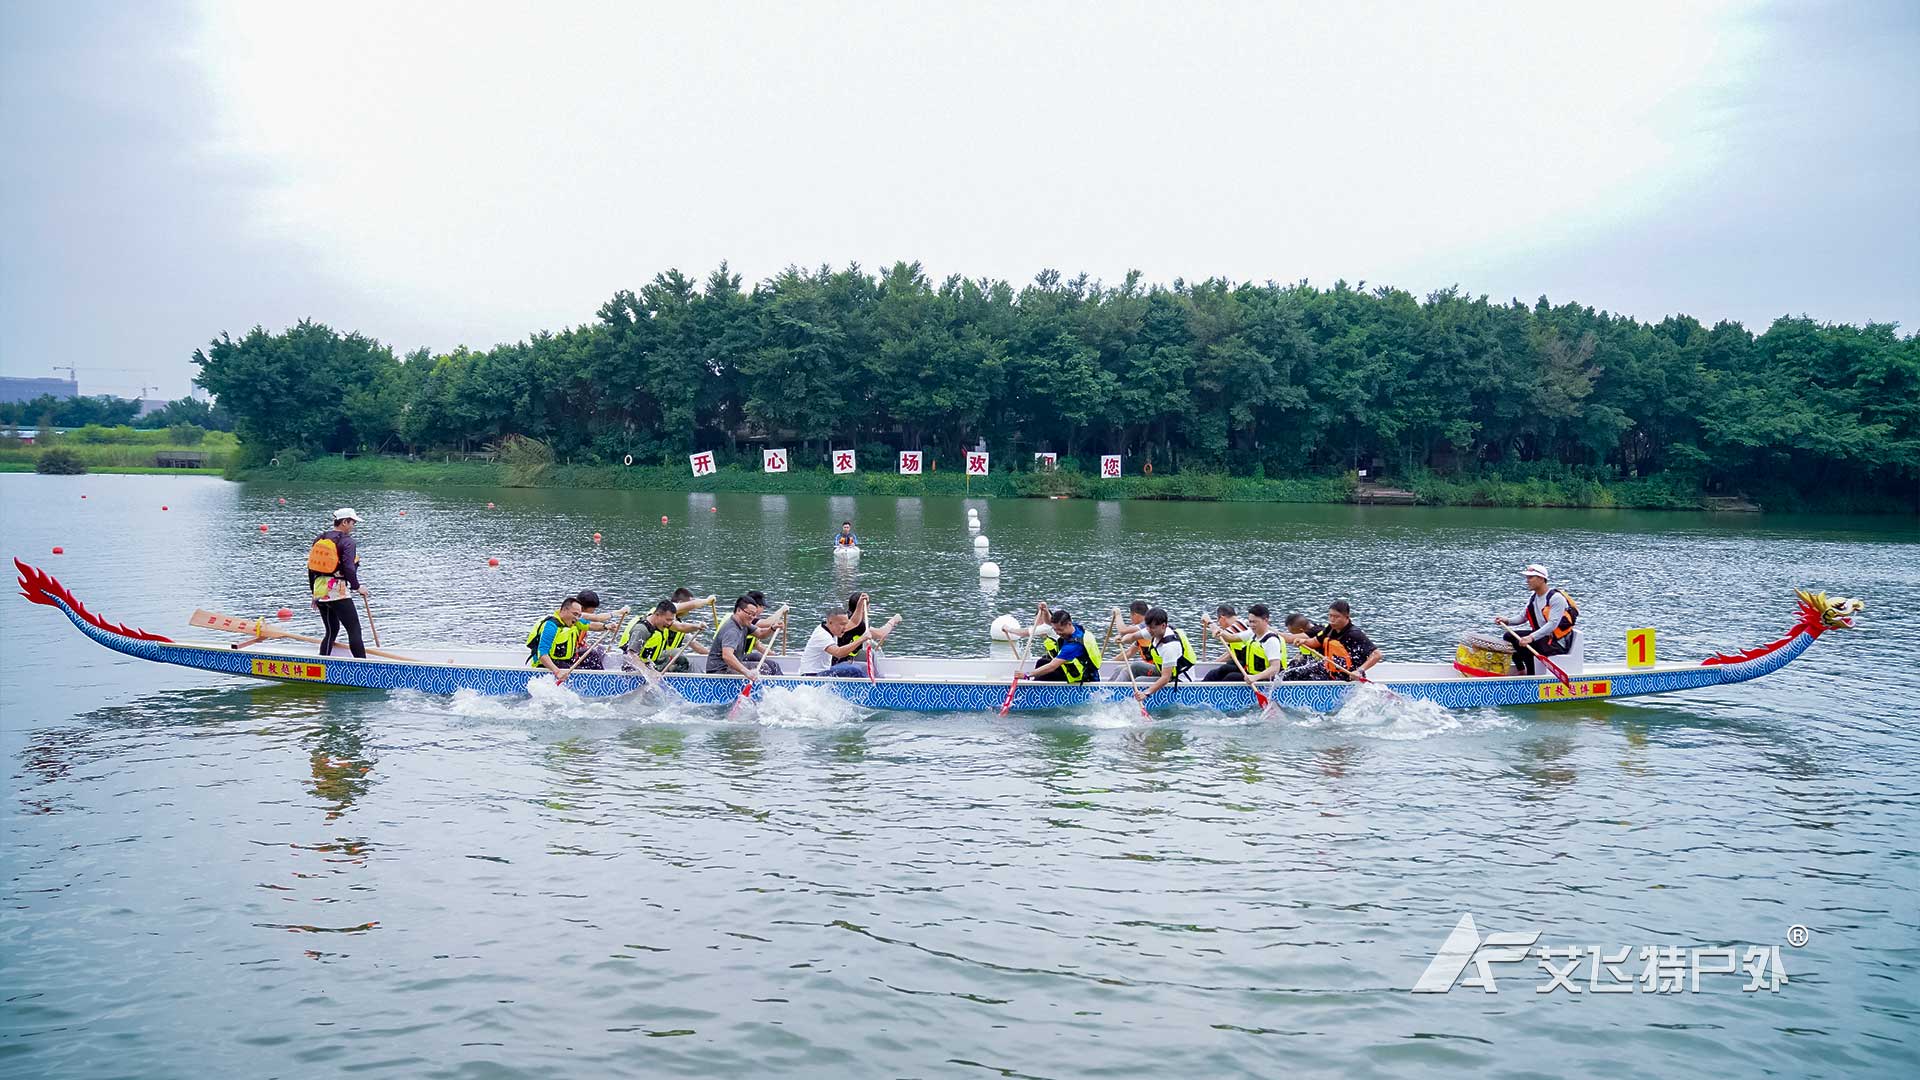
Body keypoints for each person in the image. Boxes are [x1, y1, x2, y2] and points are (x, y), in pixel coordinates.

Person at [1495, 564, 1579, 675]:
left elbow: (1552, 624)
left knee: (1526, 645)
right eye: (1527, 578)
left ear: (1541, 579)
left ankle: (1532, 674)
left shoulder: (1556, 598)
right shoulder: (1534, 597)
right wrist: (1507, 620)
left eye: (1530, 578)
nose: (1527, 581)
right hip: (1543, 638)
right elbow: (1522, 617)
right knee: (1508, 636)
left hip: (1556, 643)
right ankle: (1521, 670)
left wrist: (1531, 637)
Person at [306, 508, 368, 658]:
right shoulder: (347, 542)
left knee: (332, 630)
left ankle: (323, 662)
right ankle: (364, 668)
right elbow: (348, 567)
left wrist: (313, 592)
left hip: (320, 589)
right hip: (337, 590)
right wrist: (357, 587)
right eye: (352, 522)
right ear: (345, 522)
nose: (353, 526)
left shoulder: (320, 538)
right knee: (354, 629)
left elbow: (310, 566)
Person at [1281, 600, 1382, 681]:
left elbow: (1377, 655)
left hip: (1346, 677)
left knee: (1298, 674)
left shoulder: (1354, 634)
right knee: (1293, 670)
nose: (1332, 620)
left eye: (1336, 617)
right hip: (1329, 671)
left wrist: (1359, 671)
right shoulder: (1330, 628)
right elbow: (1315, 642)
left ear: (1347, 617)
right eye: (1330, 616)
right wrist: (1303, 641)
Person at [1207, 603, 1292, 682]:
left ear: (1266, 621)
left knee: (1231, 677)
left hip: (1267, 680)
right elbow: (1231, 638)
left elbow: (1275, 668)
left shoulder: (1271, 641)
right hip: (1252, 674)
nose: (1251, 625)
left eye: (1255, 622)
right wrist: (1221, 633)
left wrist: (1255, 677)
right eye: (1250, 622)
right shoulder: (1252, 633)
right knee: (1220, 671)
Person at [707, 595, 787, 677]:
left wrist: (772, 628)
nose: (752, 617)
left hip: (734, 662)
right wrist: (747, 672)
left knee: (767, 662)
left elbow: (761, 633)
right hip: (720, 670)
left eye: (754, 615)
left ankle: (782, 686)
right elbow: (727, 656)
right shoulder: (732, 631)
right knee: (764, 668)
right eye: (750, 614)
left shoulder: (744, 623)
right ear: (738, 610)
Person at [620, 600, 707, 671]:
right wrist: (649, 673)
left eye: (671, 620)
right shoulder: (641, 630)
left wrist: (697, 627)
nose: (669, 623)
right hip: (633, 670)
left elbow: (681, 627)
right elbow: (631, 656)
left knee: (680, 659)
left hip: (650, 664)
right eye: (668, 620)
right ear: (657, 615)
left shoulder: (663, 623)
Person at [1025, 606, 1103, 683]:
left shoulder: (1073, 646)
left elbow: (1052, 666)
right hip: (1085, 670)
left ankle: (1036, 689)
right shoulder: (1076, 628)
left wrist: (1027, 675)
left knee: (1046, 673)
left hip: (1085, 679)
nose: (1058, 633)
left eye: (1060, 630)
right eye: (1055, 630)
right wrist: (1046, 611)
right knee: (1042, 662)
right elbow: (1050, 622)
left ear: (1069, 624)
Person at [1132, 608, 1195, 701]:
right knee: (1134, 666)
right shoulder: (1154, 629)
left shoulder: (1170, 646)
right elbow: (1132, 636)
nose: (1149, 631)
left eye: (1152, 628)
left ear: (1163, 625)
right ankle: (1111, 693)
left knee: (1138, 681)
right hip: (1164, 670)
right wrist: (1122, 639)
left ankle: (1125, 700)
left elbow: (1166, 678)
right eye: (1147, 627)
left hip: (1178, 679)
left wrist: (1146, 693)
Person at [526, 596, 587, 684]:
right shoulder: (551, 626)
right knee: (577, 669)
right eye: (575, 614)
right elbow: (542, 654)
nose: (577, 618)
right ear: (564, 610)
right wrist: (557, 672)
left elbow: (591, 625)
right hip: (544, 664)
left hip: (562, 660)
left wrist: (606, 627)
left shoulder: (573, 622)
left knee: (592, 655)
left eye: (579, 615)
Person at [567, 589, 628, 671]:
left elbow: (591, 625)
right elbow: (597, 618)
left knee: (601, 650)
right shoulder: (574, 615)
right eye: (591, 611)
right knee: (593, 654)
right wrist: (619, 612)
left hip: (575, 650)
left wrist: (606, 626)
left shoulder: (581, 619)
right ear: (581, 607)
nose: (592, 613)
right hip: (568, 654)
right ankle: (602, 676)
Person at [800, 609, 870, 677]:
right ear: (830, 622)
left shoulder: (832, 628)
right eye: (842, 624)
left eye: (846, 624)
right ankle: (871, 686)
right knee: (854, 670)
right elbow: (839, 653)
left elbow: (854, 622)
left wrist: (860, 602)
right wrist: (861, 639)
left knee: (862, 666)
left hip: (823, 672)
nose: (845, 627)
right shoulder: (822, 635)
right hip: (812, 676)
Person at [1199, 604, 1253, 681]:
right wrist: (1214, 663)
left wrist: (1209, 622)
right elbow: (1230, 653)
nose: (1219, 624)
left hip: (1248, 666)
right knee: (1216, 672)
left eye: (1218, 621)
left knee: (1223, 672)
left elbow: (1218, 633)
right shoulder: (1240, 624)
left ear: (1222, 618)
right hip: (1242, 661)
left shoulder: (1240, 625)